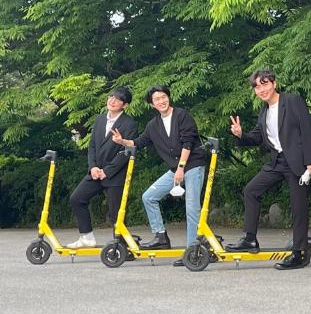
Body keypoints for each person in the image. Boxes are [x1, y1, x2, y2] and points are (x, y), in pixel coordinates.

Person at [227, 69, 311, 270]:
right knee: (251, 190)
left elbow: (307, 130)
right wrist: (240, 134)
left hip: (297, 161)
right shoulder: (264, 111)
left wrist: (310, 162)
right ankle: (250, 239)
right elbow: (257, 137)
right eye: (257, 87)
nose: (262, 90)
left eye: (265, 84)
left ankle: (300, 252)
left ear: (274, 83)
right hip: (277, 161)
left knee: (298, 206)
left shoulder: (292, 101)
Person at [112, 85, 208, 266]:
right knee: (149, 197)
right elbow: (139, 142)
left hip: (193, 165)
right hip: (175, 169)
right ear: (152, 104)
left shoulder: (182, 115)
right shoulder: (153, 125)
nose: (161, 101)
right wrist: (122, 141)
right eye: (157, 99)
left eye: (163, 97)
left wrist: (181, 168)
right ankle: (161, 236)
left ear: (168, 98)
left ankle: (192, 250)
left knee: (191, 207)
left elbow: (188, 143)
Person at [66, 87, 138, 249]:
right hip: (96, 172)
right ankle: (86, 237)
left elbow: (126, 152)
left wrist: (107, 171)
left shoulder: (129, 123)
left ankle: (122, 248)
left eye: (118, 99)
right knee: (77, 199)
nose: (112, 101)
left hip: (116, 175)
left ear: (125, 105)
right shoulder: (100, 119)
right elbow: (92, 146)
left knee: (116, 213)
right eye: (111, 97)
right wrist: (93, 167)